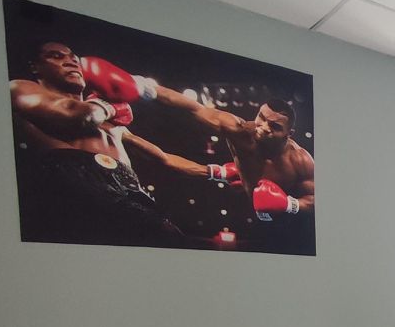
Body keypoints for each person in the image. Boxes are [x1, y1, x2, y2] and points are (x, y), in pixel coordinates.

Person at [9, 42, 203, 246]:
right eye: (56, 56)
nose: (70, 62)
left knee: (176, 243)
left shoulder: (108, 120)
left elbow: (165, 158)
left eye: (74, 58)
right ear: (35, 67)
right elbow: (78, 116)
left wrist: (216, 172)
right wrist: (109, 106)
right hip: (75, 185)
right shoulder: (20, 88)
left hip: (130, 189)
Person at [79, 56, 315, 223]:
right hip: (242, 204)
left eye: (274, 126)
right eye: (261, 118)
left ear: (289, 134)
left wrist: (289, 205)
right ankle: (124, 135)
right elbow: (192, 108)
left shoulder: (300, 161)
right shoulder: (239, 131)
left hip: (286, 224)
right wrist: (141, 86)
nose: (263, 128)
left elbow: (314, 200)